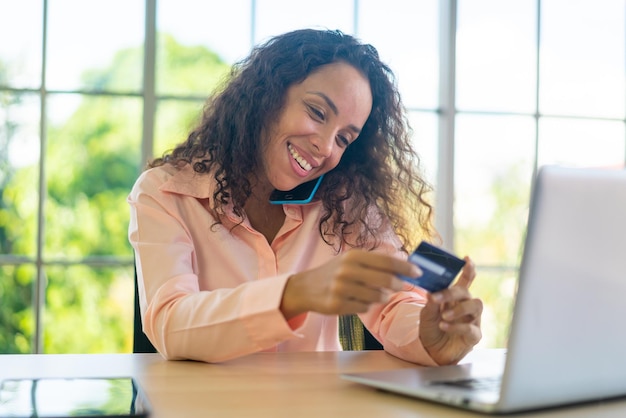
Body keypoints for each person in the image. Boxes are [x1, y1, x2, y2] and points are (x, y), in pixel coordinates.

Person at [128, 28, 483, 365]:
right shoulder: (164, 192)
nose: (325, 146)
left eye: (345, 138)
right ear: (266, 97)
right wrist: (293, 294)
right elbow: (171, 321)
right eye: (317, 112)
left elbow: (394, 304)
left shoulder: (345, 204)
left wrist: (428, 334)